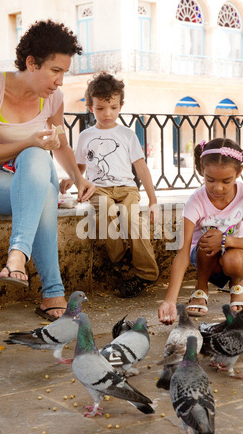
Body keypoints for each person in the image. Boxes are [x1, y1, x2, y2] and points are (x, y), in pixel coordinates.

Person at [0, 20, 95, 321]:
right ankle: (52, 292)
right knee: (41, 180)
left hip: (26, 181)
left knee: (38, 165)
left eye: (64, 73)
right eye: (55, 71)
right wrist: (29, 142)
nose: (60, 81)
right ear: (31, 63)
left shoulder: (53, 99)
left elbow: (60, 144)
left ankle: (17, 257)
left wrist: (80, 177)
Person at [60, 72, 159, 297]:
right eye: (101, 108)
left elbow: (141, 167)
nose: (108, 114)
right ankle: (120, 260)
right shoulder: (86, 135)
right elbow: (82, 166)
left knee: (131, 217)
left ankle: (146, 272)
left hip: (127, 189)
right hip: (98, 188)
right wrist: (71, 178)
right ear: (90, 106)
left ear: (120, 106)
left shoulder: (127, 134)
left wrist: (153, 200)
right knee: (105, 209)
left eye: (113, 107)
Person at [158, 138, 243, 325]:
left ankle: (237, 284)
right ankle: (201, 287)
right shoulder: (196, 201)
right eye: (210, 180)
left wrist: (225, 240)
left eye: (226, 181)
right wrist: (169, 300)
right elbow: (183, 252)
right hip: (205, 258)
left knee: (232, 257)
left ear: (239, 172)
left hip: (236, 256)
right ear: (201, 172)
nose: (217, 188)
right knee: (208, 238)